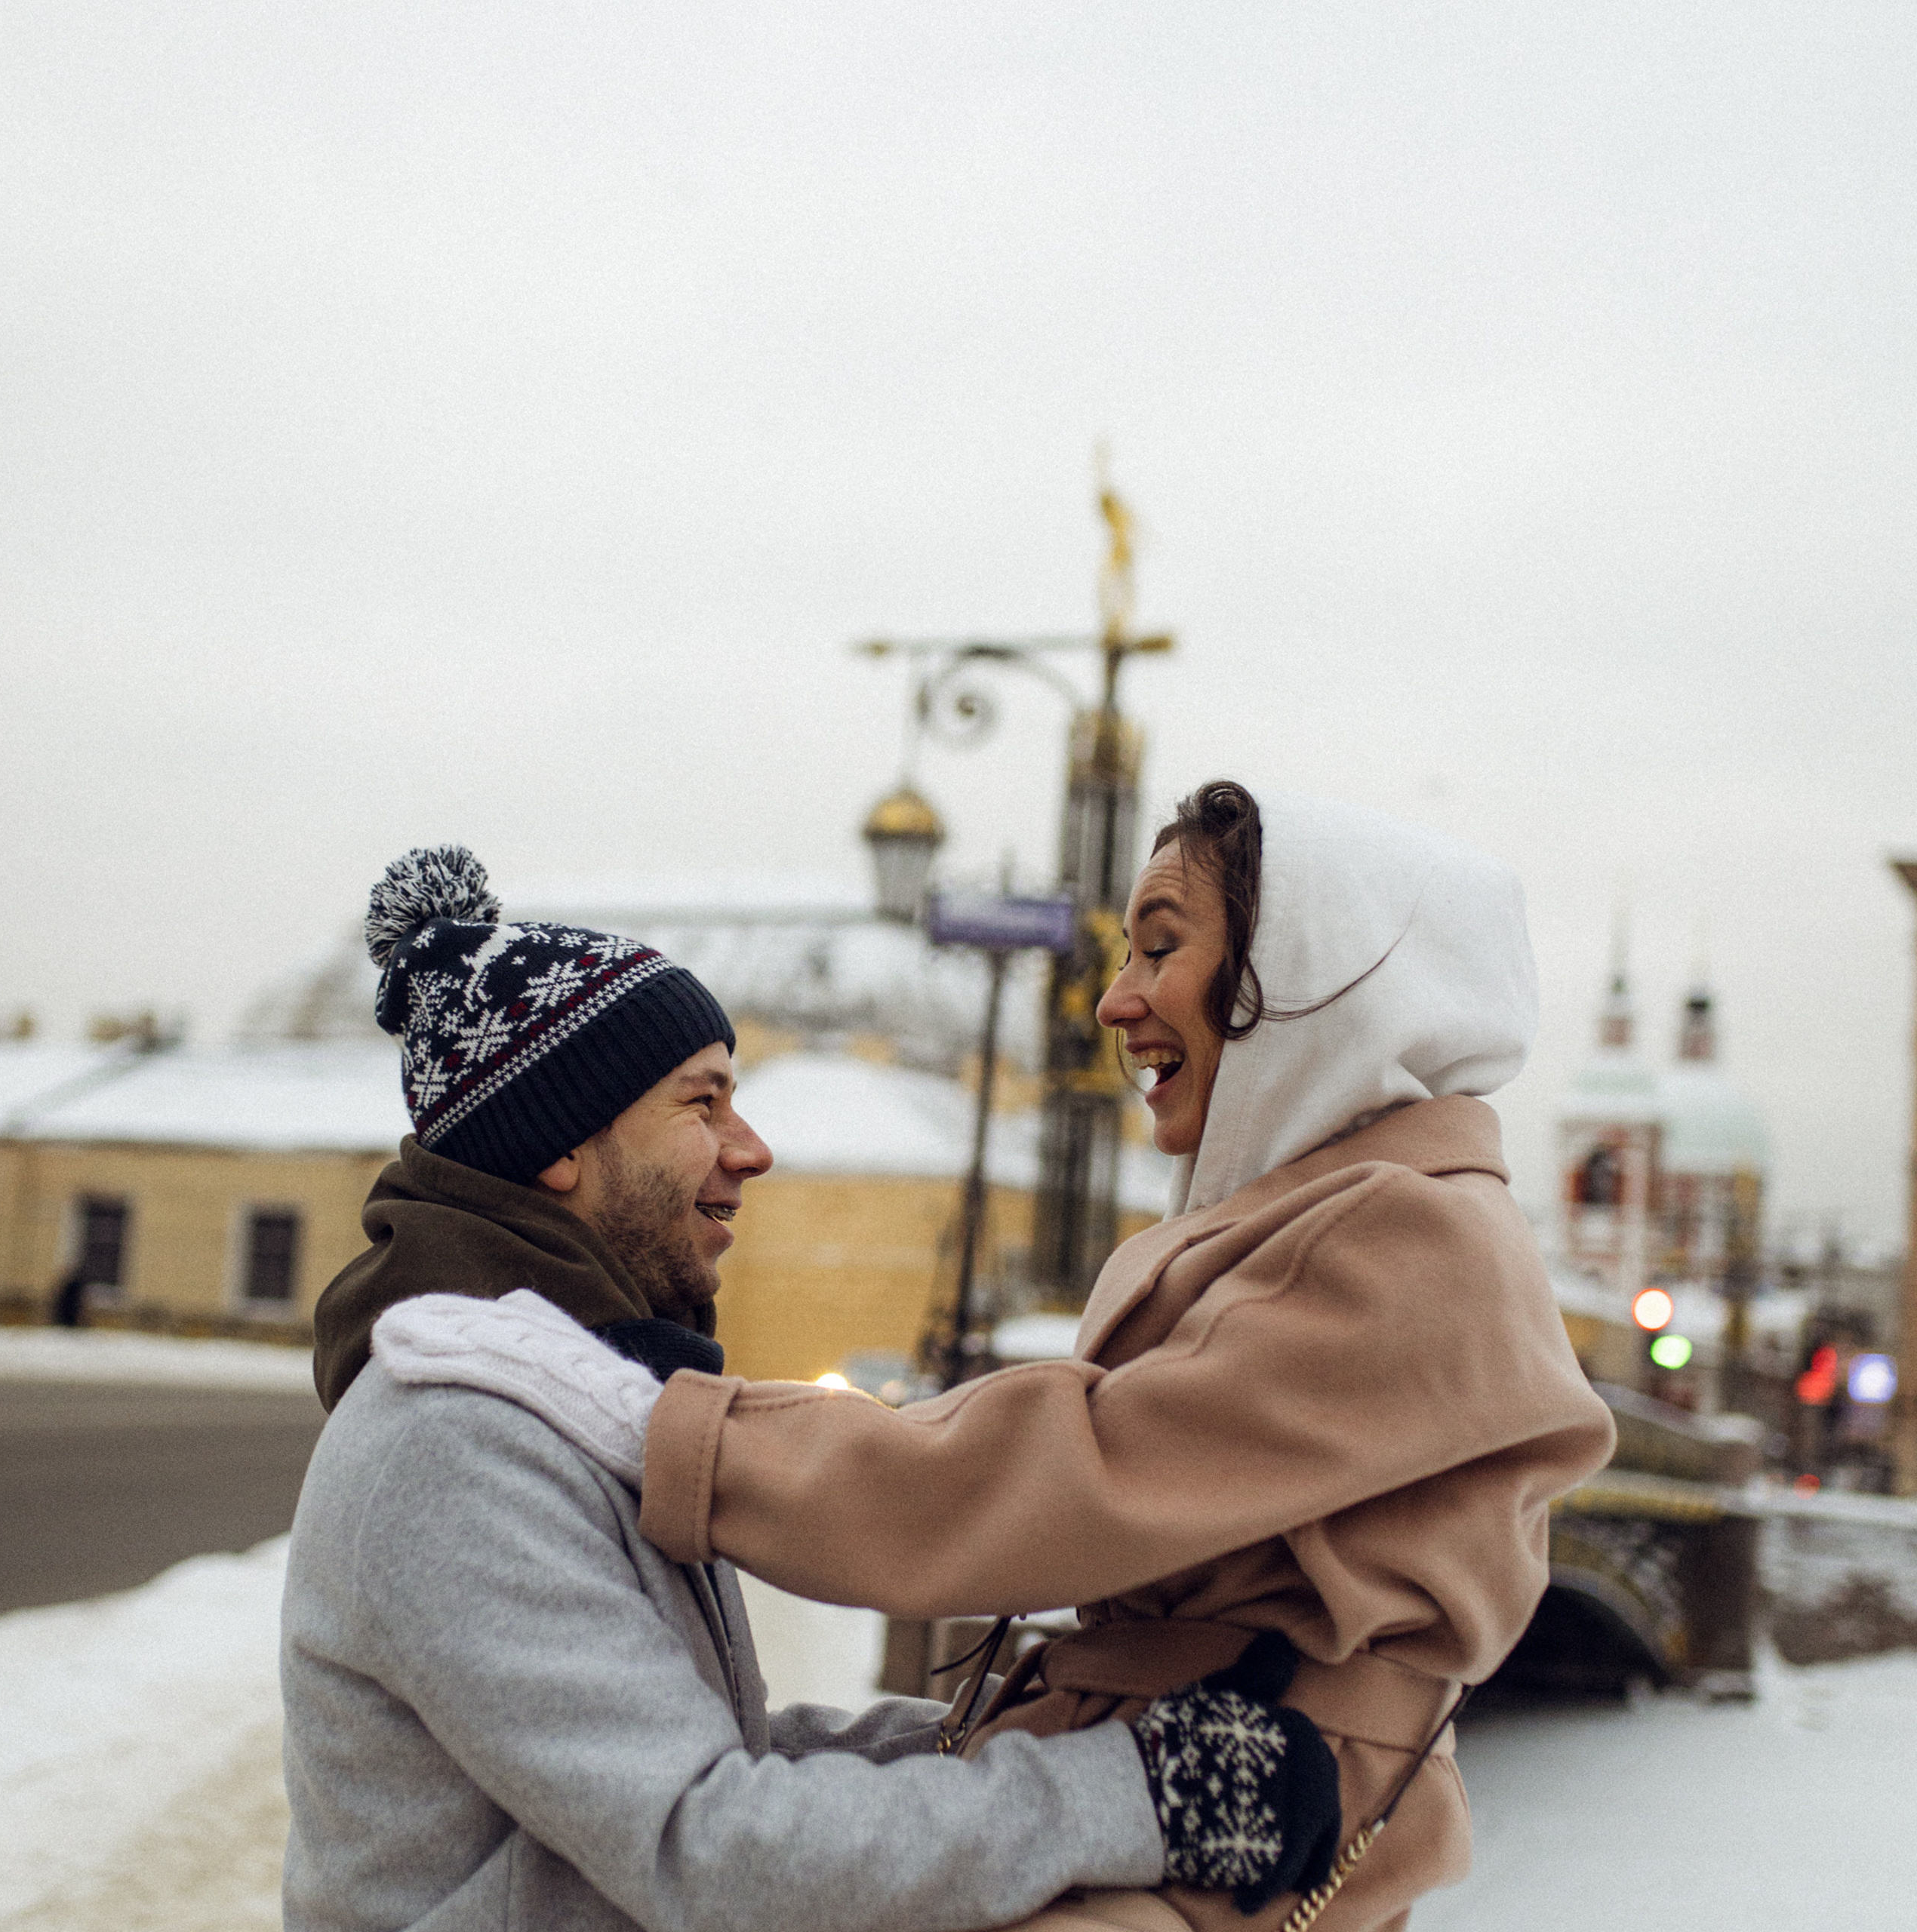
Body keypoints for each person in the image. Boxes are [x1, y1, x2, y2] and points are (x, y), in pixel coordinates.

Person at [419, 786, 1619, 1932]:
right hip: (1202, 1785)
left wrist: (671, 1432)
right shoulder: (1334, 1216)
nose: (1115, 999)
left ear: (1315, 973)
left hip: (1253, 1814)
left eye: (1161, 948)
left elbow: (1079, 1475)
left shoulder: (1411, 1235)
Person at [285, 845, 1337, 1932]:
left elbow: (712, 1753)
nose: (752, 1150)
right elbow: (706, 1845)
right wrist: (1138, 1796)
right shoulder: (456, 1444)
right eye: (702, 1105)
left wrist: (1041, 1729)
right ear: (560, 1143)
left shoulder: (557, 1399)